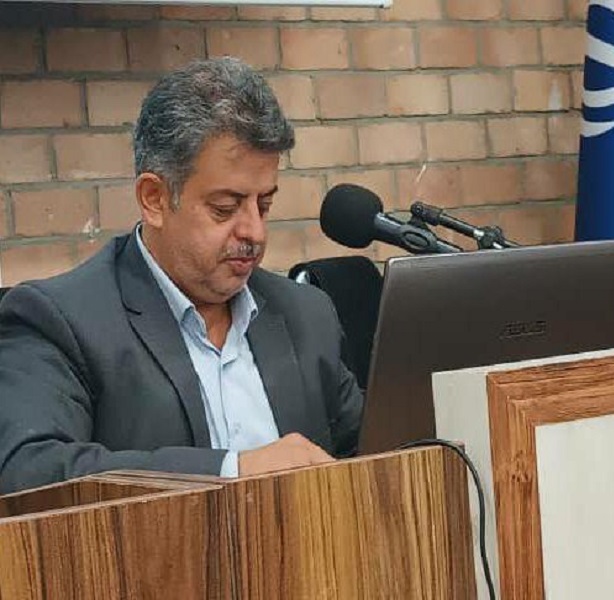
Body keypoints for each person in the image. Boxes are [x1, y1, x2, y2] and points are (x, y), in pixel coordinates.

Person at [0, 58, 363, 494]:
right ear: (154, 199)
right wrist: (232, 470)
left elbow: (373, 454)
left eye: (264, 205)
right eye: (225, 209)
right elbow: (28, 472)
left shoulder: (308, 314)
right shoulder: (59, 321)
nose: (254, 232)